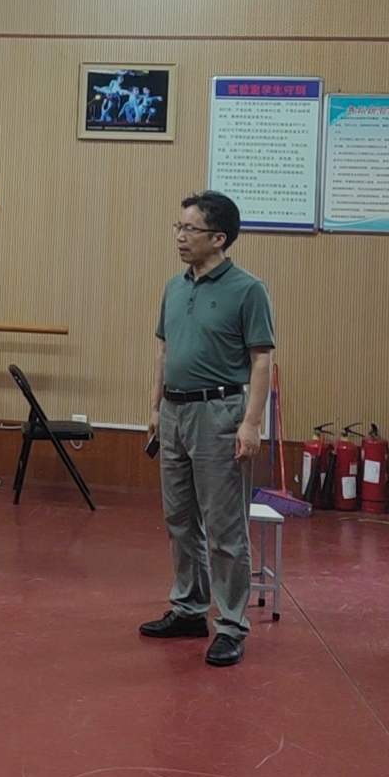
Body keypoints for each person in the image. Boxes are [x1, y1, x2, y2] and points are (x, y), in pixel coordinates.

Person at [140, 190, 275, 667]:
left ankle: (232, 625)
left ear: (218, 238)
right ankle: (189, 608)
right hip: (174, 414)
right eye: (177, 227)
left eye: (190, 229)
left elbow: (262, 361)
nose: (180, 236)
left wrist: (251, 423)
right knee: (179, 519)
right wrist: (155, 408)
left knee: (224, 527)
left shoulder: (248, 290)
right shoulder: (174, 287)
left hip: (219, 414)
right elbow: (164, 351)